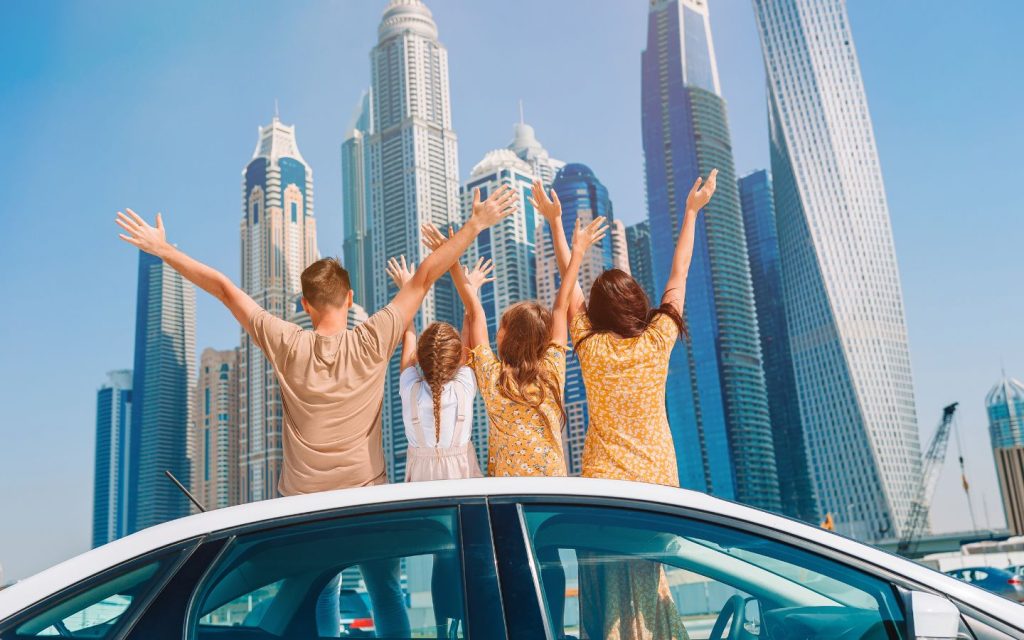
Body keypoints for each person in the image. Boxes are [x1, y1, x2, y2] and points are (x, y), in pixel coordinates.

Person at [114, 183, 518, 638]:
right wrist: (475, 224)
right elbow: (425, 276)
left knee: (321, 595)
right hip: (366, 500)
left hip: (305, 507)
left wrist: (164, 249)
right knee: (386, 596)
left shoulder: (287, 342)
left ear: (305, 306)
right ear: (349, 299)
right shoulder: (373, 338)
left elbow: (226, 290)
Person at [533, 170, 718, 639]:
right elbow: (679, 272)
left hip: (605, 484)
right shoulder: (658, 340)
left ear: (596, 312)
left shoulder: (590, 347)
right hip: (658, 482)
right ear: (637, 303)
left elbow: (568, 287)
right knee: (651, 580)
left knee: (604, 581)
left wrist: (557, 226)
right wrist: (692, 211)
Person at [424, 215, 608, 639]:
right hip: (549, 513)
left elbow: (473, 309)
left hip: (507, 517)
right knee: (552, 605)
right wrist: (577, 251)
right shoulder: (553, 375)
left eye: (502, 326)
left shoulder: (491, 378)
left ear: (505, 338)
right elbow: (561, 306)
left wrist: (452, 256)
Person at [384, 254, 489, 482]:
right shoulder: (465, 386)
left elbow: (407, 331)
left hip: (422, 493)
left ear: (419, 358)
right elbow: (470, 326)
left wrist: (406, 289)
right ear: (460, 356)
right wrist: (472, 289)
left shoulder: (409, 388)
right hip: (464, 488)